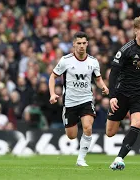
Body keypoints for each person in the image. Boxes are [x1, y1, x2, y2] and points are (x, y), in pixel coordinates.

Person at [106, 15, 140, 170]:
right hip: (122, 94)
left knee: (137, 122)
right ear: (136, 31)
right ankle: (121, 119)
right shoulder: (125, 50)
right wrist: (112, 96)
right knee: (110, 132)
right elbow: (113, 74)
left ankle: (119, 159)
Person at [49, 31, 109, 166]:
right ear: (74, 44)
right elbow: (53, 76)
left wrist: (104, 87)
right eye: (79, 43)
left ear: (87, 44)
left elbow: (98, 79)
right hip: (70, 102)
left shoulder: (93, 62)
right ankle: (79, 152)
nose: (81, 46)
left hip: (86, 100)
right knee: (71, 135)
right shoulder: (66, 60)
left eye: (84, 43)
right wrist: (52, 94)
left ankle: (81, 159)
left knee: (88, 127)